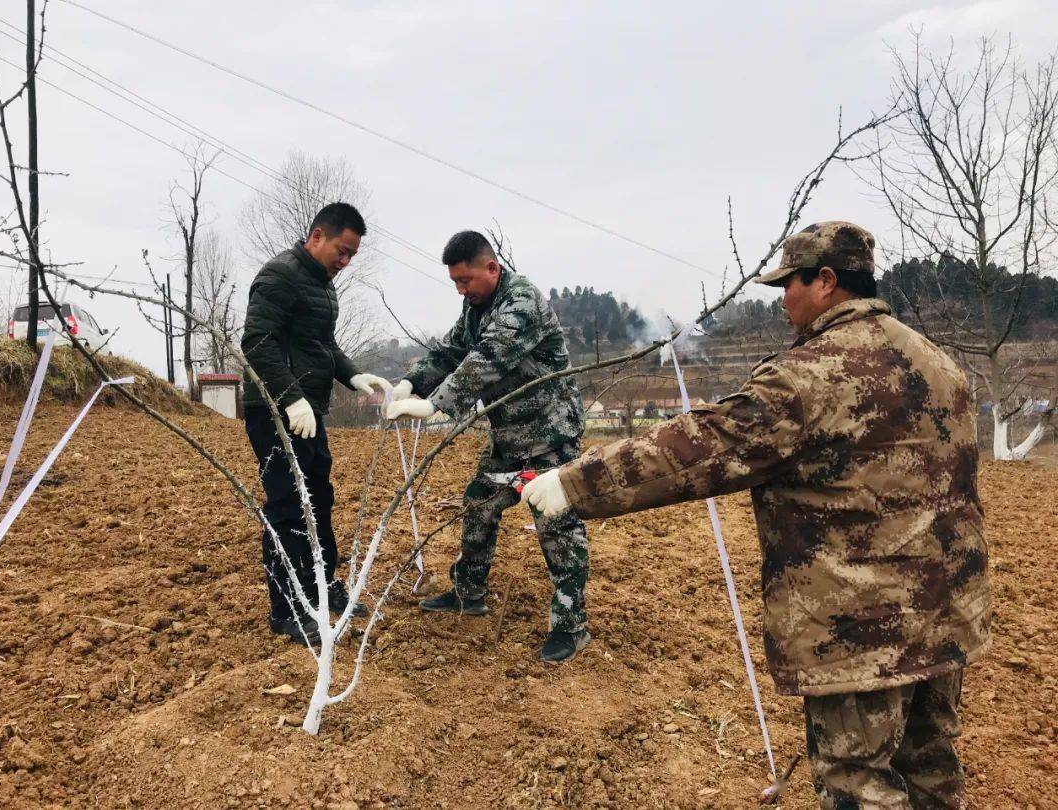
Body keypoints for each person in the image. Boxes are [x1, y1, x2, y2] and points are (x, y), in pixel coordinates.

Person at [523, 221, 991, 806]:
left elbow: (703, 446)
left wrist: (574, 485)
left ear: (825, 281)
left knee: (857, 783)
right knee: (932, 772)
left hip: (861, 627)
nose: (782, 300)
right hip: (948, 613)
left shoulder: (807, 376)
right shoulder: (938, 363)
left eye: (787, 285)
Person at [385, 230, 591, 663]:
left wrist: (435, 404)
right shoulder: (477, 306)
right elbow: (450, 350)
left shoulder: (521, 303)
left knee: (556, 523)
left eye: (466, 280)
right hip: (508, 438)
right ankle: (468, 592)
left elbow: (487, 360)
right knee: (478, 503)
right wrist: (411, 381)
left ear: (491, 268)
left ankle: (571, 626)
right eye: (455, 283)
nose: (461, 290)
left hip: (548, 438)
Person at [241, 202, 391, 645]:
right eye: (341, 251)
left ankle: (324, 589)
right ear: (317, 236)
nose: (344, 262)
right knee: (289, 503)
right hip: (275, 412)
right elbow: (257, 342)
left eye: (352, 256)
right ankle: (286, 608)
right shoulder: (280, 275)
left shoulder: (323, 286)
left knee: (319, 497)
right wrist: (290, 399)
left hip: (308, 412)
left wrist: (352, 375)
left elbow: (323, 345)